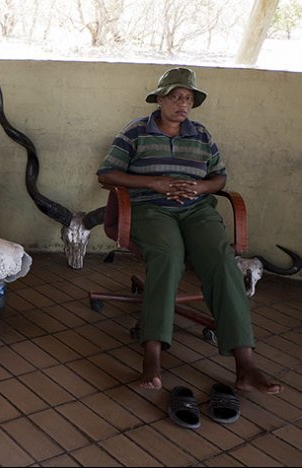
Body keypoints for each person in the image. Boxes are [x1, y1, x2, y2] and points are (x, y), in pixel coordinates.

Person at [96, 67, 282, 395]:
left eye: (188, 98)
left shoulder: (201, 135)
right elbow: (107, 175)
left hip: (196, 210)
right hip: (151, 209)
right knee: (168, 256)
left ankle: (245, 365)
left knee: (223, 263)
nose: (183, 103)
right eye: (175, 97)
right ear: (159, 99)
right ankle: (152, 356)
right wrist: (155, 182)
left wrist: (200, 187)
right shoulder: (136, 132)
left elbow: (220, 179)